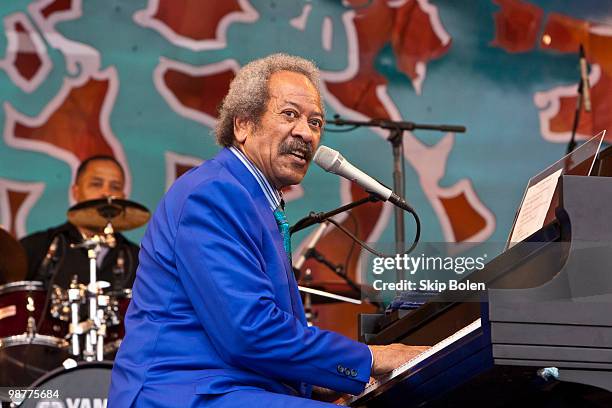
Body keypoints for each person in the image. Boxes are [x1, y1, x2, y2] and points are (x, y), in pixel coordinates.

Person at [108, 54, 427, 407]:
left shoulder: (252, 198)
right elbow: (250, 331)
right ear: (243, 125)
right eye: (289, 114)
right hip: (181, 394)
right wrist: (376, 358)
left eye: (316, 122)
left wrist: (321, 384)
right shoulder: (214, 193)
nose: (306, 133)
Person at [20, 155, 140, 290]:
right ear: (75, 192)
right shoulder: (38, 247)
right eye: (96, 184)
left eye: (115, 187)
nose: (106, 193)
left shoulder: (138, 260)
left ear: (123, 197)